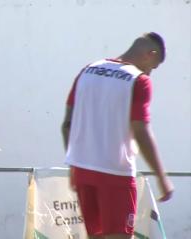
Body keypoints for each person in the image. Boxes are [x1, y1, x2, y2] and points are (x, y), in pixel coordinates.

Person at [61, 32, 174, 239]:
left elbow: (67, 125)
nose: (150, 74)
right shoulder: (138, 80)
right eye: (153, 67)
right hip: (116, 174)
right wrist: (161, 176)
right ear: (150, 54)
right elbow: (141, 131)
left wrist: (73, 167)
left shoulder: (88, 71)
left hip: (83, 171)